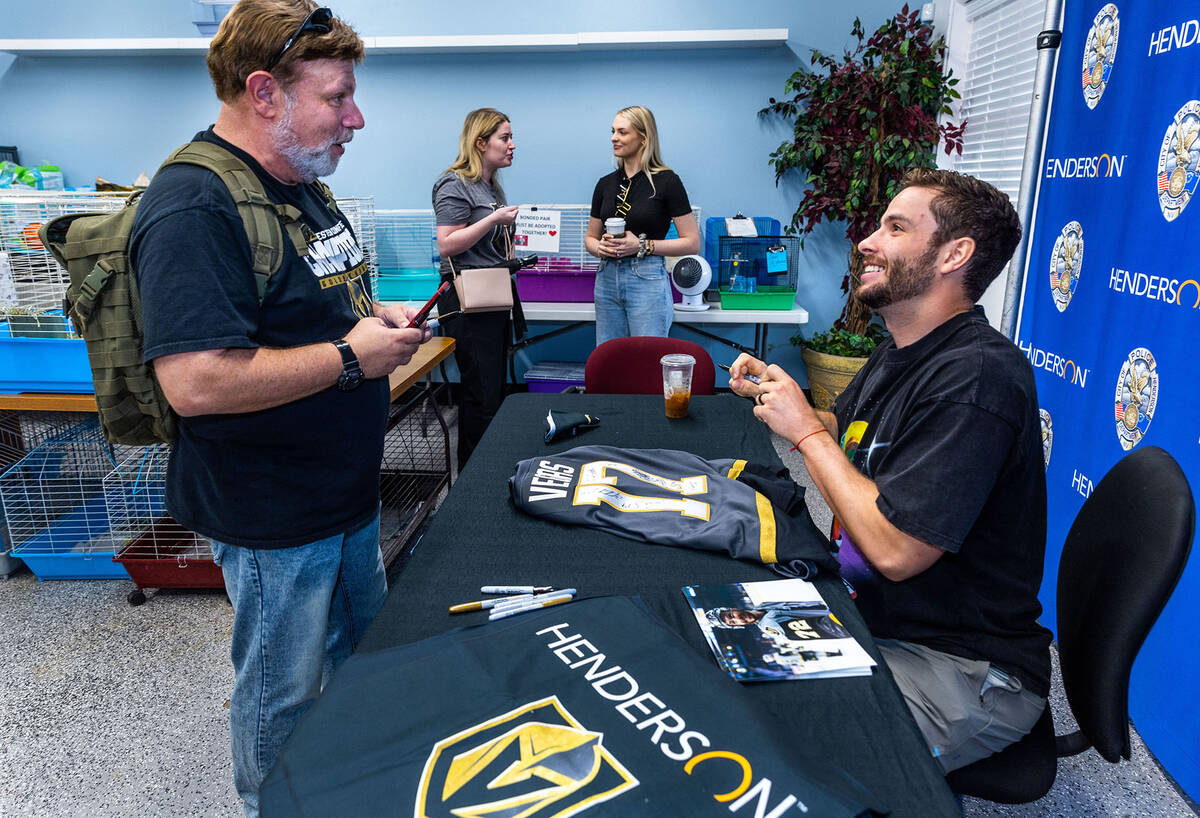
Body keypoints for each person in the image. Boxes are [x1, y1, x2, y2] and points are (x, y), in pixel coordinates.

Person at [129, 3, 430, 814]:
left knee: (364, 668)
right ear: (265, 93)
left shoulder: (300, 187)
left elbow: (311, 309)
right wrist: (347, 358)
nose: (355, 117)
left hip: (341, 499)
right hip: (272, 516)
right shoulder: (194, 206)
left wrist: (372, 326)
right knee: (282, 699)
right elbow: (193, 382)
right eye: (337, 97)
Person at [730, 168, 1052, 774]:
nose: (866, 242)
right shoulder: (902, 349)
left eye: (895, 227)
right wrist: (791, 401)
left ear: (955, 254)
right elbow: (852, 438)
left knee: (758, 750)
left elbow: (897, 550)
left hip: (962, 667)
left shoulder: (977, 379)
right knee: (707, 671)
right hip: (873, 618)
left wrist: (802, 430)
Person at [433, 108, 520, 468]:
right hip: (468, 301)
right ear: (480, 142)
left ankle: (489, 467)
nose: (512, 145)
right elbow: (448, 244)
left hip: (493, 297)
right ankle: (473, 476)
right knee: (480, 394)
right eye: (505, 137)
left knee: (494, 391)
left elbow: (485, 244)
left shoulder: (490, 188)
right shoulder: (455, 184)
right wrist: (496, 220)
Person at [585, 105, 700, 345]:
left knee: (647, 359)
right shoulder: (604, 184)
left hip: (646, 277)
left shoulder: (667, 181)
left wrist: (642, 245)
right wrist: (600, 249)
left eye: (622, 132)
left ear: (643, 138)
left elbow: (692, 243)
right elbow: (590, 239)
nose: (613, 138)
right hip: (606, 279)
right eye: (613, 131)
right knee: (609, 361)